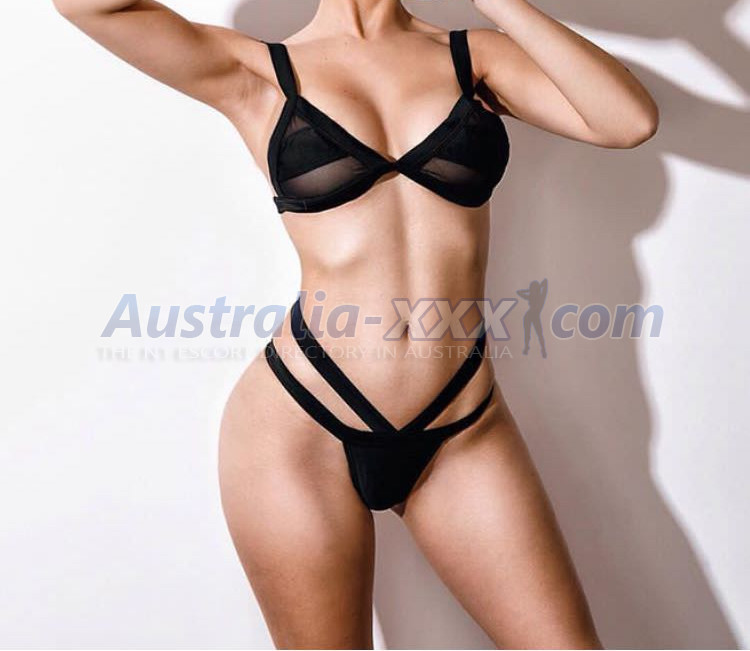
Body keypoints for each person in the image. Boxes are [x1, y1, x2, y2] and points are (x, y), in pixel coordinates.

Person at [53, 0, 658, 647]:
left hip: (461, 425)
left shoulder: (471, 58)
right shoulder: (260, 71)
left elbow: (627, 121)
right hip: (302, 427)